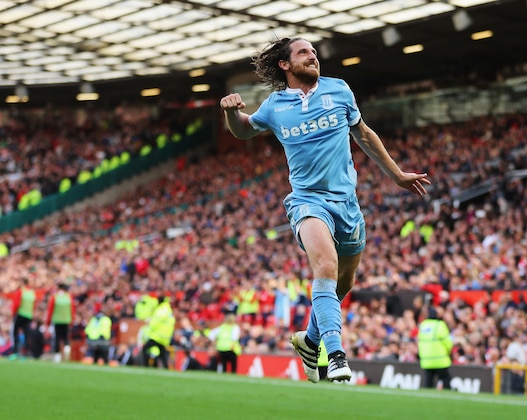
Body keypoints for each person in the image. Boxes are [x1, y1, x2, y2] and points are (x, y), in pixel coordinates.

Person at [220, 37, 430, 383]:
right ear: (285, 65)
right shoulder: (275, 106)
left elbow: (362, 133)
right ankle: (334, 355)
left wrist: (396, 175)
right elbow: (244, 131)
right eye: (304, 52)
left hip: (347, 204)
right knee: (325, 266)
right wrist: (231, 112)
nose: (313, 56)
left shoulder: (339, 90)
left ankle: (311, 338)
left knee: (342, 284)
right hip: (307, 200)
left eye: (314, 52)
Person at [418, 307, 452, 390]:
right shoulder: (439, 325)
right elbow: (447, 342)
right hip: (440, 359)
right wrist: (449, 351)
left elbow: (420, 341)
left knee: (428, 381)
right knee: (446, 379)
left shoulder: (423, 325)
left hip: (426, 359)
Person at [141, 296, 175, 369]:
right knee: (162, 354)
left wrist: (149, 327)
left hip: (158, 336)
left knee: (145, 349)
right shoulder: (168, 310)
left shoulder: (161, 310)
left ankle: (146, 366)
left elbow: (155, 322)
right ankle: (166, 368)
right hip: (165, 337)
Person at [46, 283, 75, 362]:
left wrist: (47, 322)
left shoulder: (55, 297)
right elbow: (72, 310)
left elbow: (50, 310)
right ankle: (67, 351)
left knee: (57, 338)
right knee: (66, 337)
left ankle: (57, 355)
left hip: (57, 320)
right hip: (66, 320)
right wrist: (72, 320)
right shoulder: (69, 297)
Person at [10, 278, 36, 358]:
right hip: (29, 316)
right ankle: (26, 352)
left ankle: (15, 352)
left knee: (14, 333)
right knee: (27, 334)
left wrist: (13, 314)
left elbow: (16, 304)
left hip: (20, 314)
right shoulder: (32, 293)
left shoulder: (20, 291)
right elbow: (34, 306)